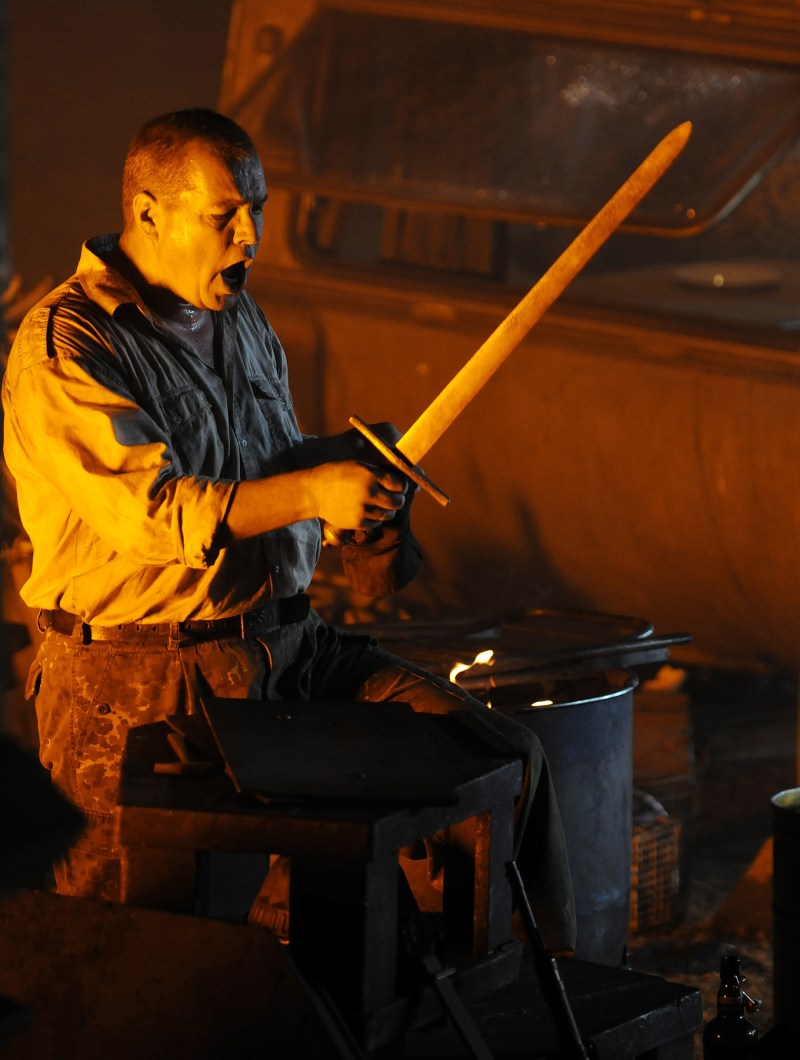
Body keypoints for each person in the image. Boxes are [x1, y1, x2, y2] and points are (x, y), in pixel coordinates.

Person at [2, 108, 575, 952]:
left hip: (288, 652)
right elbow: (158, 512)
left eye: (258, 210)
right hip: (137, 680)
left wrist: (351, 468)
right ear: (148, 212)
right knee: (122, 947)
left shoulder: (237, 319)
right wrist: (314, 489)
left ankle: (523, 997)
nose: (249, 236)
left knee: (500, 758)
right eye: (223, 214)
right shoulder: (69, 342)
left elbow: (266, 470)